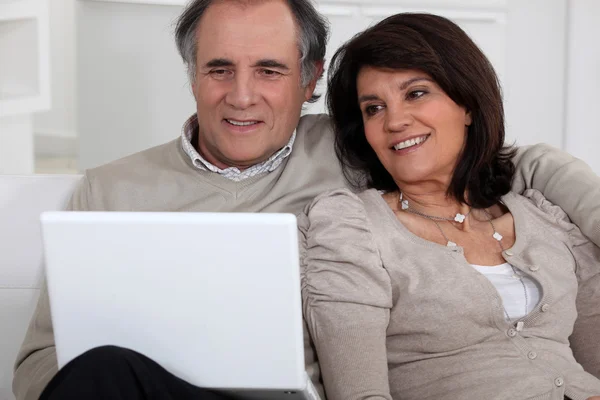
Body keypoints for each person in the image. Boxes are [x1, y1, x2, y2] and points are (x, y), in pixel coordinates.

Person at [12, 1, 600, 399]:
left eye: (269, 70)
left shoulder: (362, 145)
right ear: (191, 73)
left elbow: (501, 162)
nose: (241, 97)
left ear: (311, 77)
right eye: (219, 69)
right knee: (105, 371)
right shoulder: (111, 190)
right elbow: (37, 368)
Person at [298, 12, 600, 400]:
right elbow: (359, 393)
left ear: (467, 105)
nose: (395, 121)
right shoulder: (351, 226)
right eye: (374, 108)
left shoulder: (546, 214)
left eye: (416, 93)